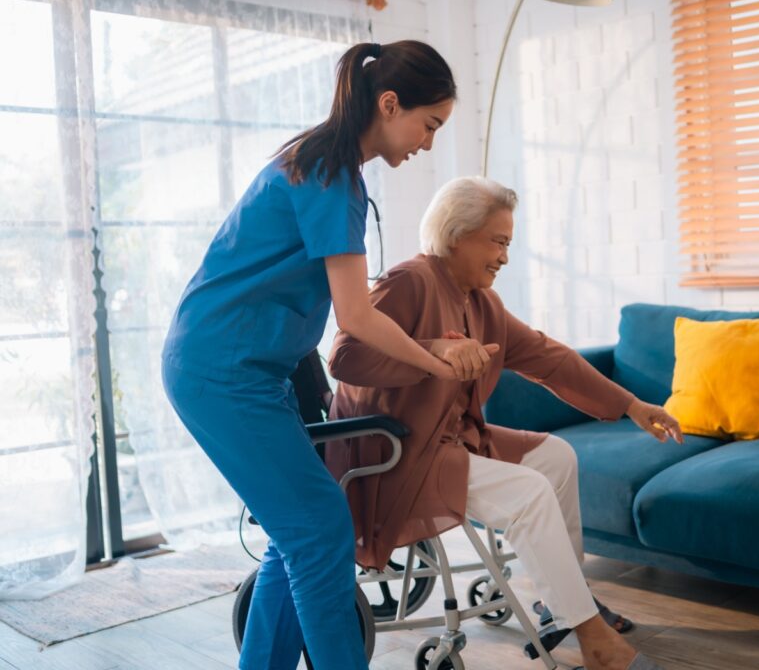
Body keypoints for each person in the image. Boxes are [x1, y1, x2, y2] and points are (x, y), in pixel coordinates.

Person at [161, 41, 474, 670]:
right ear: (390, 104)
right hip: (221, 369)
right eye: (429, 124)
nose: (428, 143)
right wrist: (437, 362)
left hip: (248, 366)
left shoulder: (327, 165)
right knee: (319, 528)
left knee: (297, 532)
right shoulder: (330, 175)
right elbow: (355, 317)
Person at [326, 176, 680, 670]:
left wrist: (631, 405)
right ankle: (594, 640)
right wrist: (432, 350)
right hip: (393, 456)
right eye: (498, 242)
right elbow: (343, 355)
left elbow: (549, 358)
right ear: (456, 233)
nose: (504, 257)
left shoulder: (482, 301)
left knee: (555, 456)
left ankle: (562, 603)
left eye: (508, 244)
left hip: (448, 444)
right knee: (529, 491)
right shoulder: (410, 281)